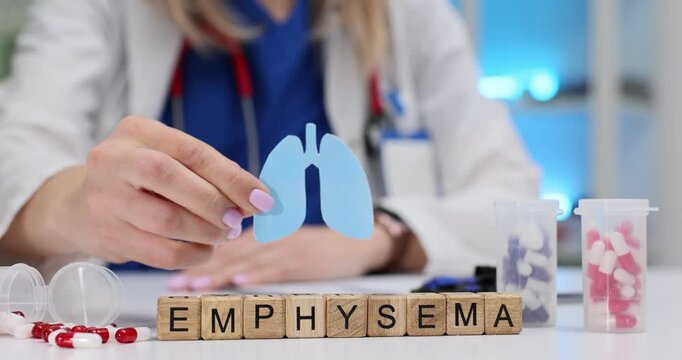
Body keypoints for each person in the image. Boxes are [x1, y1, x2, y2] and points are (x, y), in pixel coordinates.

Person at [0, 0, 538, 290]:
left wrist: (384, 237)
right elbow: (18, 154)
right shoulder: (97, 9)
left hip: (341, 332)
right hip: (141, 327)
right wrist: (74, 207)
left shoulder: (409, 16)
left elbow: (519, 204)